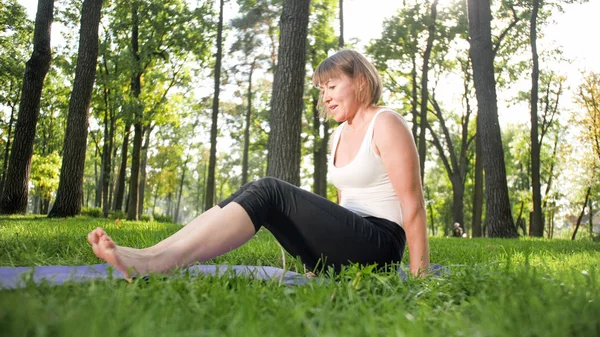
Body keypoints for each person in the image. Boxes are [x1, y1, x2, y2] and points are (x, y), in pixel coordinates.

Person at [88, 49, 430, 278]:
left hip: (379, 247)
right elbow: (344, 206)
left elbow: (412, 205)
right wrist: (321, 251)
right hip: (348, 245)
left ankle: (161, 263)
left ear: (361, 82)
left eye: (332, 85)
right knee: (254, 190)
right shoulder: (339, 136)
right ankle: (149, 254)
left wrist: (419, 276)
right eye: (320, 89)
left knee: (269, 189)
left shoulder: (386, 123)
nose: (324, 96)